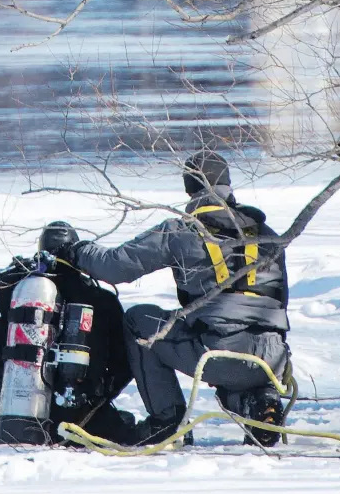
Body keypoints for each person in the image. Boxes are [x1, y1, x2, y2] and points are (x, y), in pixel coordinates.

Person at [52, 152, 291, 447]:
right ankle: (260, 405)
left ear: (189, 189)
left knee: (139, 320)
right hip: (273, 357)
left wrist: (75, 251)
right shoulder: (268, 234)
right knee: (234, 345)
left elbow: (115, 266)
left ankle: (167, 422)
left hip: (221, 355)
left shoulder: (182, 231)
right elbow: (281, 300)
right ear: (228, 184)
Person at [0, 222, 135, 445]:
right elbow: (123, 365)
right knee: (132, 431)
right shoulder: (101, 298)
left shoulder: (8, 288)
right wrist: (96, 394)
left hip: (16, 416)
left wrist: (10, 389)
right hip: (84, 418)